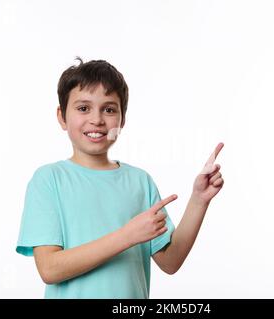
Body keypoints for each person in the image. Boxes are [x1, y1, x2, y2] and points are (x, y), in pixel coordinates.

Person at [16, 57, 225, 298]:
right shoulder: (49, 180)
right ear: (62, 116)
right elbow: (50, 269)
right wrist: (127, 236)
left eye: (109, 109)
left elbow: (171, 261)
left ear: (122, 119)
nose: (97, 119)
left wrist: (199, 200)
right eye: (83, 108)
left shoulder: (139, 182)